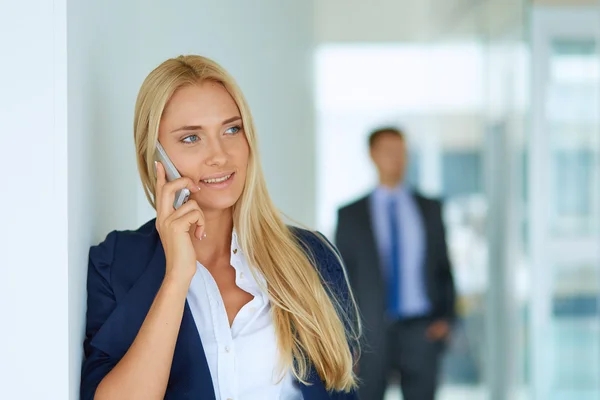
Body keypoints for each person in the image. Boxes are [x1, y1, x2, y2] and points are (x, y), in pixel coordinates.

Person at [80, 55, 360, 400]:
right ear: (154, 155)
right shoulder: (117, 262)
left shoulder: (310, 256)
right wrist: (176, 279)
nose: (220, 155)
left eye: (231, 129)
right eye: (191, 138)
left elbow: (341, 390)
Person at [334, 127, 456, 400]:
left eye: (401, 152)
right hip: (370, 335)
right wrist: (346, 338)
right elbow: (342, 280)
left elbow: (443, 268)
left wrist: (445, 320)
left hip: (421, 331)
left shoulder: (430, 209)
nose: (396, 159)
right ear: (372, 156)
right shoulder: (350, 215)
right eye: (389, 152)